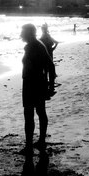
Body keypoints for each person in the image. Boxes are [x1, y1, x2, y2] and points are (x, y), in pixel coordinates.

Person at [20, 24, 55, 155]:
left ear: (29, 33)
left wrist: (51, 85)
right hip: (35, 82)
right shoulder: (33, 45)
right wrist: (50, 85)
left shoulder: (36, 46)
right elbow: (50, 65)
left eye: (23, 32)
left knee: (31, 114)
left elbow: (50, 65)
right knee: (39, 112)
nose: (20, 35)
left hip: (34, 83)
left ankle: (32, 145)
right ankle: (39, 141)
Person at [39, 24, 59, 97]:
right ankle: (50, 84)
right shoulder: (47, 35)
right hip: (50, 53)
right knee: (50, 68)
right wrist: (55, 46)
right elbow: (54, 42)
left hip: (45, 54)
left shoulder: (43, 36)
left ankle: (48, 84)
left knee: (46, 69)